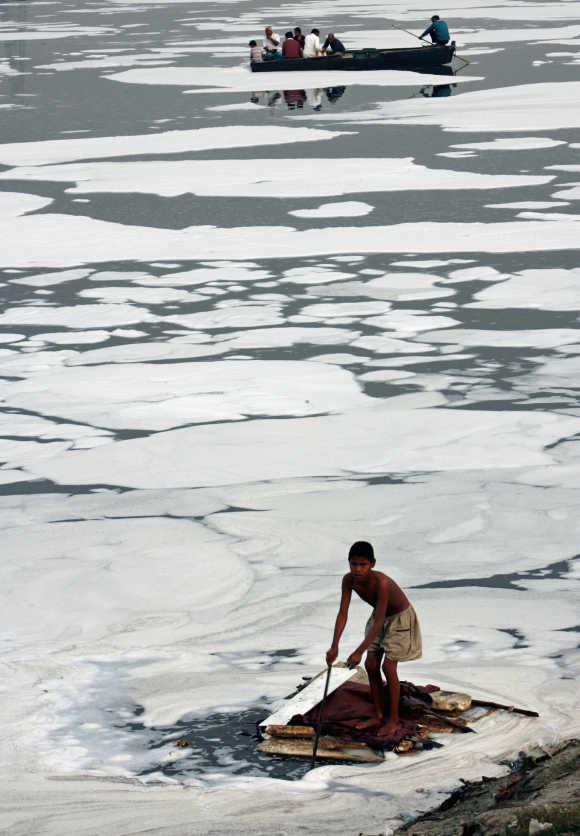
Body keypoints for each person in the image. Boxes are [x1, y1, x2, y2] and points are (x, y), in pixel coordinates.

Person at [326, 540, 422, 736]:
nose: (358, 569)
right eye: (354, 564)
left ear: (373, 564)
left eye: (363, 565)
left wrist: (358, 651)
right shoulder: (348, 580)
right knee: (371, 665)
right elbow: (343, 613)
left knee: (388, 666)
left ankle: (393, 720)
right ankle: (378, 715)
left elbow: (379, 623)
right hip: (380, 616)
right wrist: (334, 646)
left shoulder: (381, 583)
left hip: (399, 618)